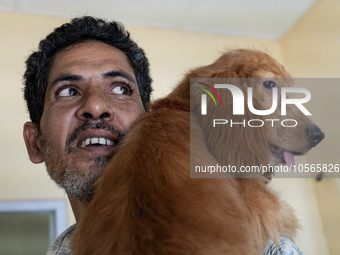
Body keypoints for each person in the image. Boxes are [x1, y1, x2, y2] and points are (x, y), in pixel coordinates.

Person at [22, 16, 302, 255]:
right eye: (68, 91)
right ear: (35, 143)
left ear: (149, 118)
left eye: (120, 89)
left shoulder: (266, 246)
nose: (96, 107)